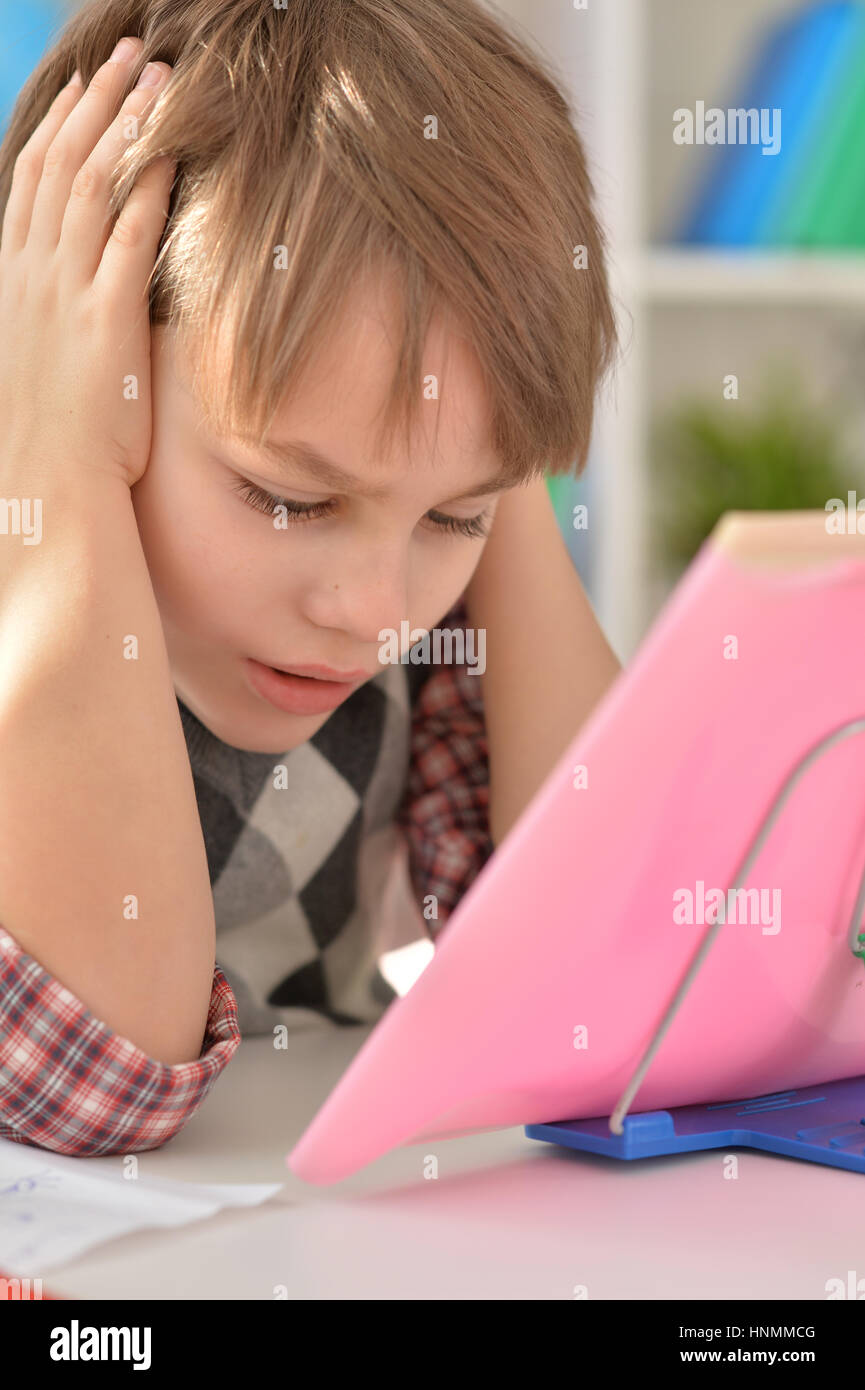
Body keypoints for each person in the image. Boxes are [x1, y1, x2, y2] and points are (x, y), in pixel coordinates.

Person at [0, 0, 620, 1156]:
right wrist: (56, 469)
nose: (373, 612)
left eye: (455, 516)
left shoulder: (431, 664)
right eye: (288, 499)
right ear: (79, 355)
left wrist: (493, 448)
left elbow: (610, 971)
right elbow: (99, 1080)